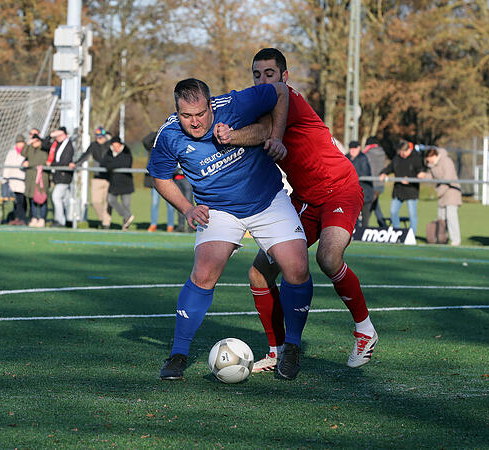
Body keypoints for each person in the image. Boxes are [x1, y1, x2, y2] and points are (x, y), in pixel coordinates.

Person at [216, 48, 377, 371]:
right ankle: (276, 350)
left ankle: (365, 330)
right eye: (257, 75)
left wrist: (229, 136)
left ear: (284, 77)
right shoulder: (261, 107)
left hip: (340, 189)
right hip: (303, 200)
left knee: (328, 258)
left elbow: (262, 132)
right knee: (259, 274)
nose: (263, 81)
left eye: (270, 74)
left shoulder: (287, 99)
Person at [150, 77, 313, 381]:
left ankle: (291, 347)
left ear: (211, 105)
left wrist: (276, 137)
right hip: (218, 209)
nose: (195, 122)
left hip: (267, 200)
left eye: (201, 113)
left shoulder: (236, 104)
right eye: (186, 115)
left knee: (297, 268)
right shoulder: (169, 135)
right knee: (203, 273)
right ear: (176, 111)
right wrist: (187, 209)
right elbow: (160, 176)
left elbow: (280, 91)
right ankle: (178, 354)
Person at [379, 139, 424, 234]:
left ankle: (411, 234)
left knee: (412, 214)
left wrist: (411, 178)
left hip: (411, 191)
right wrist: (383, 173)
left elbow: (421, 173)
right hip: (398, 190)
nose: (402, 154)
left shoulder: (416, 158)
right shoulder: (397, 158)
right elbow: (390, 167)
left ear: (409, 150)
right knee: (393, 211)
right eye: (400, 152)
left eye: (404, 152)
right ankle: (396, 231)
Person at [419, 147, 462, 246]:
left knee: (451, 217)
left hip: (451, 192)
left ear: (433, 156)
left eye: (428, 158)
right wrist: (424, 175)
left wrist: (438, 193)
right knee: (441, 218)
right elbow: (433, 177)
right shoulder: (432, 165)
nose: (427, 161)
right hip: (442, 194)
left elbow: (448, 179)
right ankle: (442, 238)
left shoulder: (446, 161)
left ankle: (455, 240)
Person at [71, 126, 111, 229]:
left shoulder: (109, 145)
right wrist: (76, 164)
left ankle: (106, 224)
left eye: (100, 136)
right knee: (96, 202)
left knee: (108, 202)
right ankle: (104, 219)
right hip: (97, 178)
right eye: (97, 136)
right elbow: (85, 156)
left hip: (109, 178)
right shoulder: (93, 145)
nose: (98, 138)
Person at [143, 131, 175, 232]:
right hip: (156, 181)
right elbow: (145, 141)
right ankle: (153, 224)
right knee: (154, 203)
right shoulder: (153, 147)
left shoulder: (171, 148)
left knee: (170, 205)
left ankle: (170, 226)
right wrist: (159, 132)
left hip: (169, 181)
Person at [102, 136, 135, 230]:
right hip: (114, 182)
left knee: (126, 204)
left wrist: (112, 164)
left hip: (126, 183)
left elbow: (126, 163)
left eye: (117, 146)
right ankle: (127, 216)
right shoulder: (109, 152)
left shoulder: (126, 151)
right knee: (110, 199)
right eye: (114, 146)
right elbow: (104, 163)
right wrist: (115, 164)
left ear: (121, 145)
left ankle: (126, 225)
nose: (116, 148)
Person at [46, 127, 75, 227]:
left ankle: (59, 220)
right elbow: (44, 144)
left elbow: (65, 162)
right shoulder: (56, 144)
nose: (57, 137)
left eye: (60, 135)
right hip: (58, 176)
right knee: (65, 200)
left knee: (56, 197)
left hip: (64, 176)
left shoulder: (68, 146)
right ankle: (68, 220)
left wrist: (51, 165)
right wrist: (51, 135)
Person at [23, 128, 50, 228]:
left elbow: (43, 161)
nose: (33, 136)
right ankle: (34, 217)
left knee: (42, 198)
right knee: (32, 198)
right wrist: (28, 144)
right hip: (30, 177)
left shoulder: (44, 146)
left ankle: (42, 218)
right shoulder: (30, 147)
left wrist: (29, 163)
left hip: (41, 177)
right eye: (31, 134)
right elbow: (23, 153)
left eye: (35, 134)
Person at [346, 140, 373, 228]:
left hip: (365, 192)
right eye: (351, 149)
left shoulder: (363, 158)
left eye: (354, 148)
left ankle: (363, 232)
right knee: (351, 217)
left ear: (359, 148)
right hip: (351, 193)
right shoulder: (346, 158)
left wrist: (350, 175)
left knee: (365, 218)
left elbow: (365, 173)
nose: (352, 151)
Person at [363, 137, 389, 227]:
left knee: (368, 205)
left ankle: (364, 226)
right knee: (375, 205)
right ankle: (383, 225)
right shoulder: (382, 152)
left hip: (371, 184)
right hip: (380, 184)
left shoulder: (368, 154)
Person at [3, 135, 27, 225]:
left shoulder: (26, 152)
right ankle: (17, 218)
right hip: (13, 180)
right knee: (16, 201)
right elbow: (7, 165)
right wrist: (5, 178)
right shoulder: (11, 153)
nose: (19, 144)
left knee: (21, 200)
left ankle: (21, 218)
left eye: (21, 142)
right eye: (18, 143)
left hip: (23, 180)